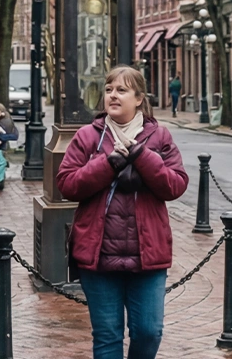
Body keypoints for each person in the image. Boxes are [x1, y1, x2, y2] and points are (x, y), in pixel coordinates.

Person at [56, 66, 189, 359]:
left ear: (139, 98)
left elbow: (176, 185)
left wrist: (142, 156)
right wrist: (108, 163)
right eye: (109, 90)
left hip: (148, 256)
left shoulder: (159, 136)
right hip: (98, 255)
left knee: (148, 331)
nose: (113, 96)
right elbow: (67, 184)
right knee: (107, 336)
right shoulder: (87, 137)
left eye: (122, 90)